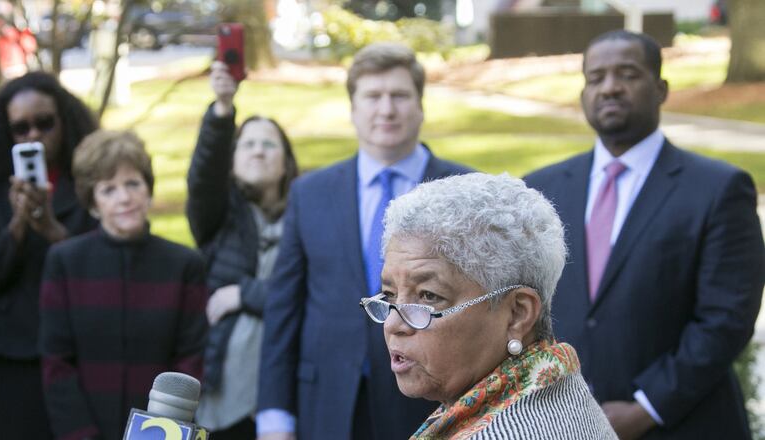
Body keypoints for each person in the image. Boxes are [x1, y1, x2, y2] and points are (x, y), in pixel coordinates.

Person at [525, 30, 765, 439]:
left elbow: (726, 318)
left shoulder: (718, 189)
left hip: (683, 424)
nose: (610, 87)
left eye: (627, 74)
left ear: (661, 89)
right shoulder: (539, 191)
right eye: (595, 77)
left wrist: (646, 409)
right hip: (561, 422)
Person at [257, 42, 472, 440]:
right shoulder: (310, 193)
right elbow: (284, 308)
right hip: (329, 402)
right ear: (353, 109)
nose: (386, 109)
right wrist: (274, 416)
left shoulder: (465, 192)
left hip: (434, 401)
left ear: (421, 106)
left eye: (399, 96)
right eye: (373, 96)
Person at [360, 172, 618, 439]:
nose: (393, 324)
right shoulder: (557, 386)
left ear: (518, 313)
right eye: (390, 294)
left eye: (428, 296)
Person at [39, 130, 208, 440]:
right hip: (83, 428)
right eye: (108, 189)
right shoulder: (65, 262)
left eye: (133, 183)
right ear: (92, 202)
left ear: (148, 189)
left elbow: (190, 358)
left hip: (160, 431)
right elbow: (57, 363)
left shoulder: (185, 265)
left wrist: (157, 434)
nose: (124, 197)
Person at [0, 71, 97, 439]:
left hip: (79, 347)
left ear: (64, 121)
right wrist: (18, 222)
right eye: (21, 128)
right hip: (10, 353)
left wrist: (51, 229)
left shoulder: (89, 181)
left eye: (45, 124)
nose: (34, 136)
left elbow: (100, 265)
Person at [188, 61, 298, 440]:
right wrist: (222, 110)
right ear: (232, 161)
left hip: (290, 391)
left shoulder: (309, 218)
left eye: (269, 144)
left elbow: (317, 296)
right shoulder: (219, 218)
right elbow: (204, 175)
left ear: (286, 163)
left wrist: (244, 294)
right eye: (247, 143)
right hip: (224, 397)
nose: (258, 151)